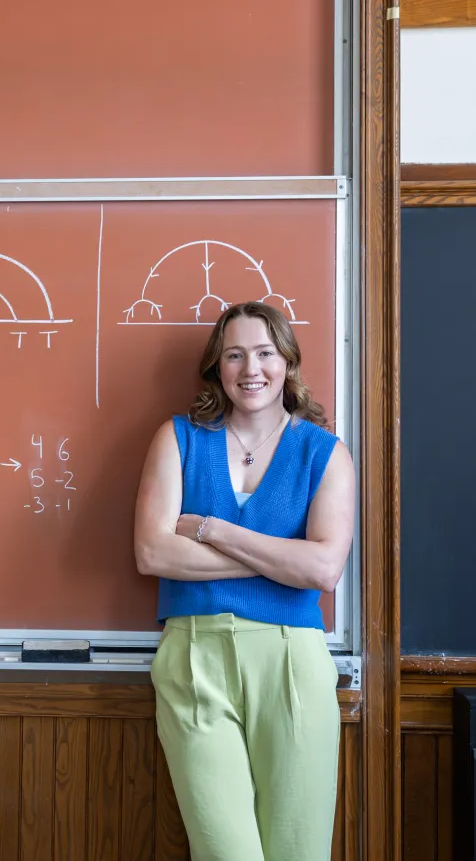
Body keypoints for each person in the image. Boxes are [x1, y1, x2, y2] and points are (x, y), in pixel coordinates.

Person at [133, 301, 355, 861]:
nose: (250, 368)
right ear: (217, 366)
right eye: (234, 355)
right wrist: (283, 559)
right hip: (193, 659)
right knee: (225, 853)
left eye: (264, 353)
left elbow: (325, 570)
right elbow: (151, 551)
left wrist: (212, 530)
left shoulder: (323, 453)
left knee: (297, 853)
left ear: (287, 363)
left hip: (292, 664)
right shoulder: (178, 438)